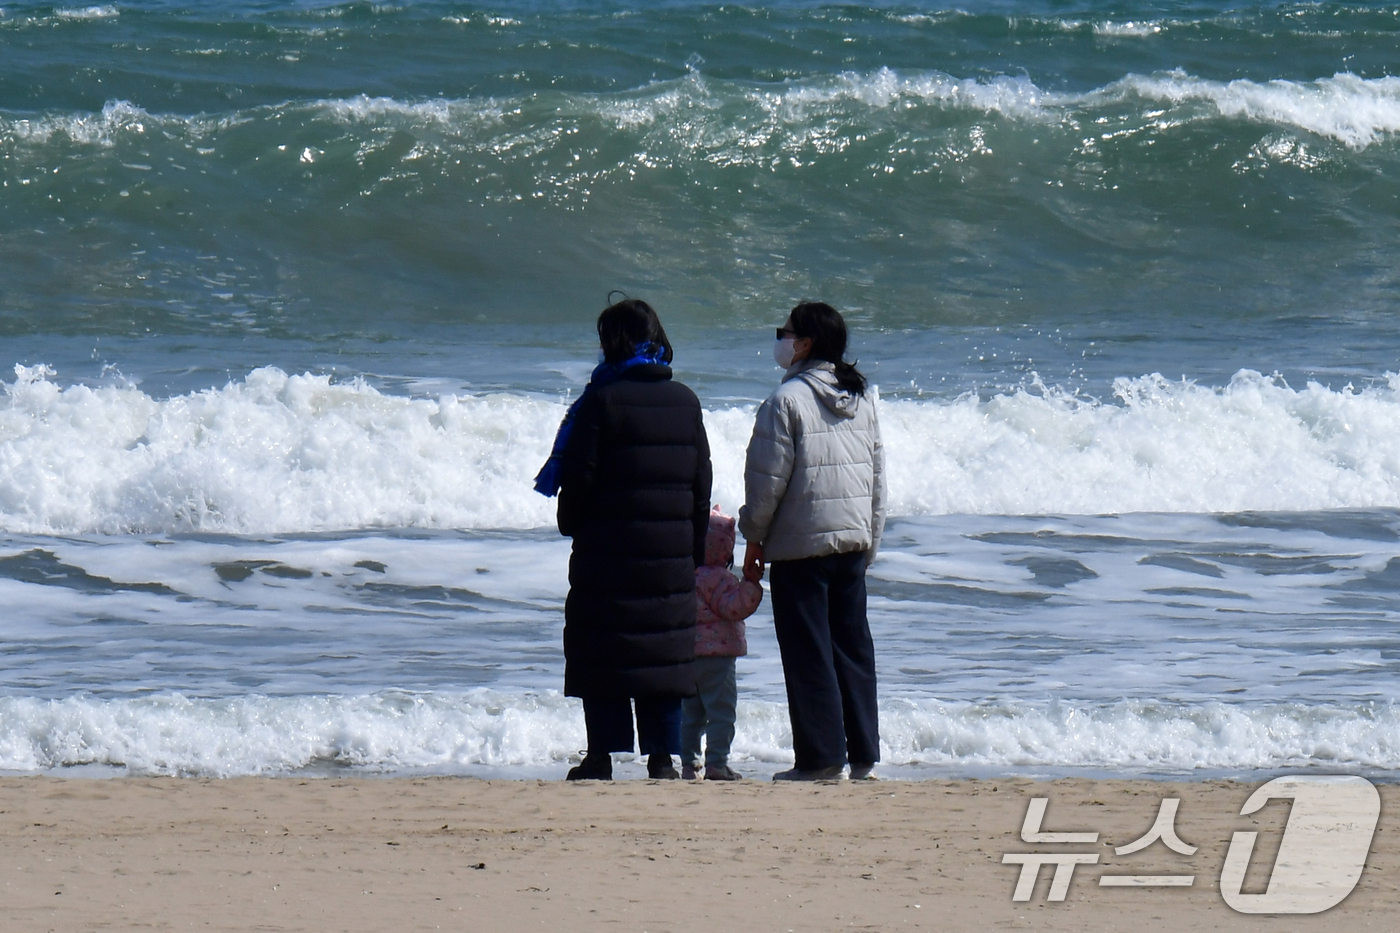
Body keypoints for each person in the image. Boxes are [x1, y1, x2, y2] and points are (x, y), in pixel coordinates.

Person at [537, 297, 712, 781]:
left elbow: (579, 480)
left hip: (607, 555)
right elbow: (701, 485)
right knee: (662, 656)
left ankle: (600, 757)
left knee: (603, 652)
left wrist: (570, 522)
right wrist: (692, 550)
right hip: (669, 558)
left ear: (612, 343)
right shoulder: (686, 402)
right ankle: (662, 757)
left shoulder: (600, 401)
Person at [738, 301, 885, 781]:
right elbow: (878, 482)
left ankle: (821, 759)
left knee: (808, 654)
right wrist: (871, 542)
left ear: (803, 344)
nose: (779, 339)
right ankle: (862, 754)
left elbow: (766, 483)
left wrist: (754, 538)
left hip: (801, 545)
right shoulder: (861, 400)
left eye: (785, 332)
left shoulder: (786, 401)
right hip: (852, 542)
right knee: (852, 649)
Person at [681, 505, 763, 781]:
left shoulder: (687, 576)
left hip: (689, 655)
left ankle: (689, 765)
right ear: (725, 550)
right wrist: (750, 585)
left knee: (691, 714)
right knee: (721, 713)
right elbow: (733, 608)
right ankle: (716, 762)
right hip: (719, 658)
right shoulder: (720, 579)